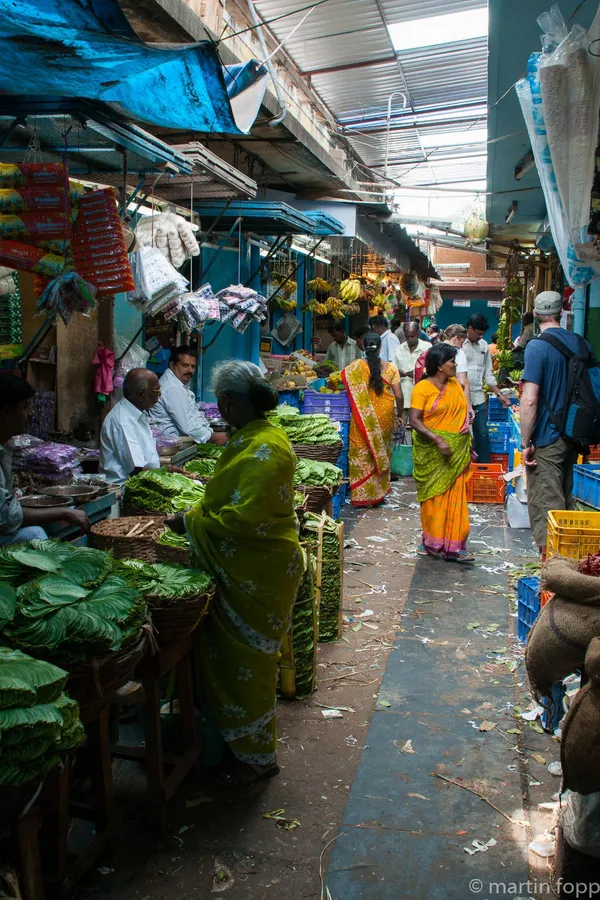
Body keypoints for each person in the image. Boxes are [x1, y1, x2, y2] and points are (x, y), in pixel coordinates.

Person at [165, 361, 302, 788]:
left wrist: (189, 521)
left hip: (257, 571)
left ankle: (258, 758)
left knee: (249, 666)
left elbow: (244, 519)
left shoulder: (264, 447)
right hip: (255, 567)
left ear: (227, 403)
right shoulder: (257, 437)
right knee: (238, 664)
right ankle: (236, 744)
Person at [521, 291, 592, 551]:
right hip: (574, 433)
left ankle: (554, 566)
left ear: (535, 315)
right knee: (565, 497)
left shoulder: (537, 347)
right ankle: (569, 560)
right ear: (561, 313)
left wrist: (525, 442)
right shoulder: (581, 343)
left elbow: (530, 399)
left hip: (547, 437)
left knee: (547, 504)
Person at [0, 374, 89, 544]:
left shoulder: (7, 446)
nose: (31, 413)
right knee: (35, 534)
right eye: (25, 407)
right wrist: (63, 513)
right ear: (7, 412)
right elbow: (8, 517)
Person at [409, 343, 473, 563]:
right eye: (451, 361)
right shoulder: (422, 389)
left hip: (455, 453)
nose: (455, 365)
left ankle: (456, 545)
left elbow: (461, 410)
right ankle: (433, 542)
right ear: (439, 366)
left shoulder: (454, 385)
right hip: (432, 453)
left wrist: (465, 421)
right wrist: (438, 441)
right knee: (433, 499)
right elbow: (414, 421)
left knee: (456, 498)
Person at [341, 332, 403, 507]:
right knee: (381, 450)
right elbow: (399, 395)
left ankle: (362, 496)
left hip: (362, 415)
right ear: (380, 348)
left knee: (360, 451)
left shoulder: (355, 367)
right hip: (384, 416)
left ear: (363, 346)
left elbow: (341, 378)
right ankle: (378, 494)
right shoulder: (391, 368)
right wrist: (400, 415)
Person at [151, 346, 227, 446]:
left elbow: (193, 415)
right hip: (169, 444)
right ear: (172, 365)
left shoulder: (177, 383)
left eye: (193, 366)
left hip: (177, 442)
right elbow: (188, 426)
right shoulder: (172, 387)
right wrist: (213, 437)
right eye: (185, 365)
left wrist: (209, 431)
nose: (190, 370)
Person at [463, 313, 511, 462]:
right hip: (459, 397)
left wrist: (499, 395)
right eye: (478, 333)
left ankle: (485, 466)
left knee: (482, 433)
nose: (480, 337)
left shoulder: (484, 345)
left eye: (482, 334)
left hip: (478, 396)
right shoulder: (459, 344)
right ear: (470, 328)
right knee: (463, 434)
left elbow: (488, 374)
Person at [414, 325, 473, 420]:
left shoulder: (432, 350)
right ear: (456, 338)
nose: (461, 346)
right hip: (450, 404)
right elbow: (463, 382)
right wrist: (468, 407)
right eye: (461, 343)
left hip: (430, 402)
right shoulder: (458, 353)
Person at [393, 322, 431, 422]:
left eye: (412, 336)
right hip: (401, 399)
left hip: (421, 400)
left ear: (418, 333)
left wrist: (417, 374)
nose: (410, 339)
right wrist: (397, 373)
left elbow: (432, 371)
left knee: (419, 429)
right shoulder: (398, 349)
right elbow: (392, 371)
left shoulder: (427, 348)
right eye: (407, 336)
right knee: (399, 429)